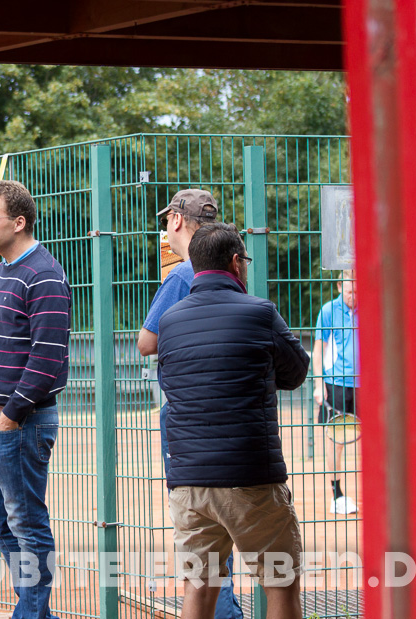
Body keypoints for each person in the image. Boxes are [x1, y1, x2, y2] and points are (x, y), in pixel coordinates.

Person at [157, 223, 310, 619]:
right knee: (280, 582)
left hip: (189, 481)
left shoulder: (169, 321)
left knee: (199, 586)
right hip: (250, 476)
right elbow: (296, 372)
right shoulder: (260, 312)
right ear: (236, 262)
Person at [0, 180, 71, 619]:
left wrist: (10, 416)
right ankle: (36, 612)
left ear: (19, 222)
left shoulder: (44, 275)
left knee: (27, 524)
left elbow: (47, 358)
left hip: (19, 423)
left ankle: (29, 613)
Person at [136, 189, 243, 619]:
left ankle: (225, 614)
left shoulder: (183, 274)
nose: (165, 228)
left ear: (178, 221)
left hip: (188, 417)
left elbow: (147, 342)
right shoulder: (229, 267)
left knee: (201, 536)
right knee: (227, 531)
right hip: (230, 413)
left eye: (167, 221)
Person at [313, 269, 359, 515]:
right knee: (336, 441)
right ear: (340, 287)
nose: (353, 296)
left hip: (365, 383)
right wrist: (319, 384)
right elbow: (318, 350)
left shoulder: (370, 307)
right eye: (349, 291)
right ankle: (337, 496)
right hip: (337, 383)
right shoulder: (329, 310)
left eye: (357, 291)